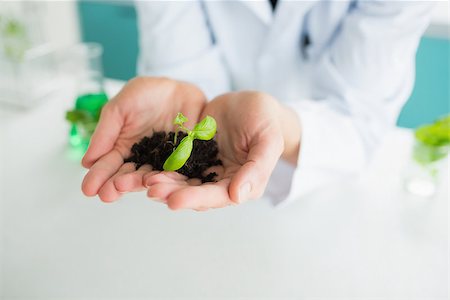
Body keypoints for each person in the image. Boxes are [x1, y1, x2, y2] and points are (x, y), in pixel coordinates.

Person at [81, 1, 432, 210]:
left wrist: (277, 123)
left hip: (322, 191)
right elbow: (182, 65)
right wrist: (185, 97)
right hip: (201, 192)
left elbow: (357, 117)